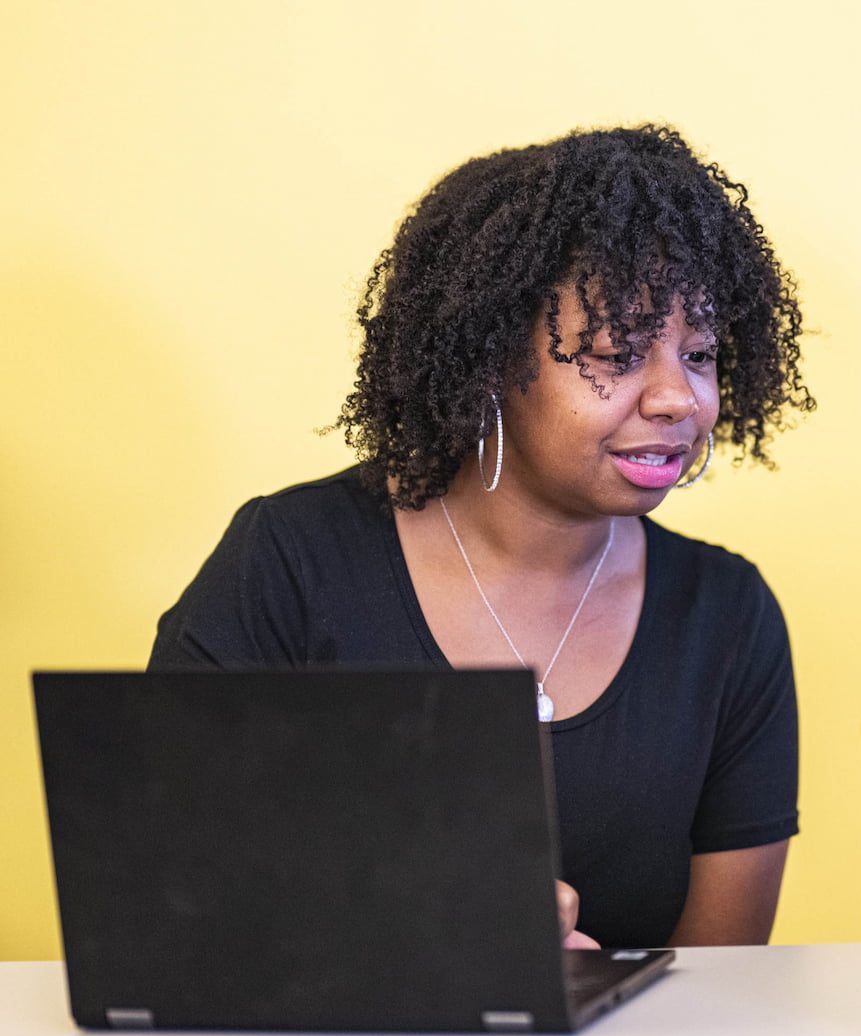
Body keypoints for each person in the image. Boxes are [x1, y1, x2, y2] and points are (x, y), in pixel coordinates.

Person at [150, 125, 814, 951]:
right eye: (617, 352)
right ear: (489, 359)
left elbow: (723, 982)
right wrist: (427, 942)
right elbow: (164, 887)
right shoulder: (290, 563)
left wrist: (588, 995)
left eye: (701, 353)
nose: (678, 397)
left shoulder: (728, 618)